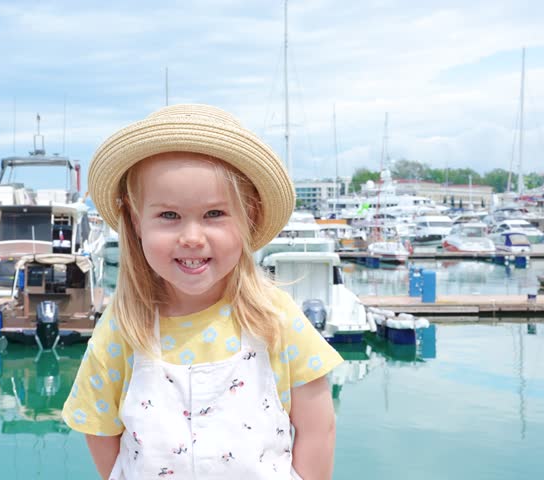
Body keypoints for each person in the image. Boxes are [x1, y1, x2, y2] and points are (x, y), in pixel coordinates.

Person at [63, 104, 343, 479]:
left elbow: (317, 426)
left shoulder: (273, 315)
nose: (192, 238)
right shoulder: (124, 326)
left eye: (214, 214)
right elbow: (99, 427)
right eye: (169, 216)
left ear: (250, 216)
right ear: (136, 221)